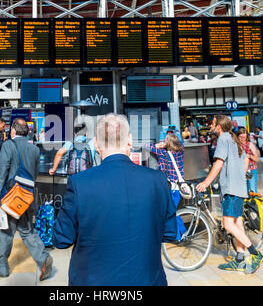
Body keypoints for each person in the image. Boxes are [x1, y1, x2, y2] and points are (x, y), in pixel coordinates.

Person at [53, 113, 179, 286]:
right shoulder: (158, 180)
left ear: (96, 143)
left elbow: (61, 239)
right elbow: (170, 233)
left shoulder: (79, 183)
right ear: (129, 140)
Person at [0, 118, 53, 281]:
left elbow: (1, 171)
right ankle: (43, 259)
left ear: (13, 131)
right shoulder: (34, 149)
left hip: (10, 198)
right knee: (27, 231)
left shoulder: (9, 145)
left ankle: (2, 268)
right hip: (27, 197)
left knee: (5, 232)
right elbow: (35, 174)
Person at [196, 115, 263, 274]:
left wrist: (206, 182)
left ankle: (255, 254)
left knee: (227, 224)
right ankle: (239, 258)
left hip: (232, 189)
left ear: (218, 126)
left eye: (212, 123)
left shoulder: (223, 139)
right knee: (237, 223)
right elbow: (244, 161)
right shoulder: (234, 140)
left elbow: (218, 164)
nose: (211, 126)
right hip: (239, 188)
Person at [145, 133, 186, 239]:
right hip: (179, 187)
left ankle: (178, 236)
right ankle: (181, 232)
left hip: (170, 188)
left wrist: (159, 145)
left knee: (171, 211)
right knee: (173, 210)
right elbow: (180, 143)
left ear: (167, 143)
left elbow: (147, 146)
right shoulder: (181, 150)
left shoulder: (163, 153)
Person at [237, 128, 259, 194]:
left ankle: (254, 203)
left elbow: (257, 159)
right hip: (240, 170)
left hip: (251, 170)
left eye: (244, 137)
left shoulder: (250, 145)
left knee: (253, 190)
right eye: (240, 137)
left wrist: (249, 156)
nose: (242, 139)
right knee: (243, 191)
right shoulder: (236, 145)